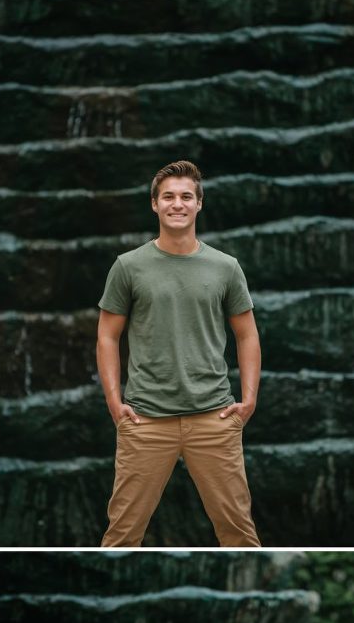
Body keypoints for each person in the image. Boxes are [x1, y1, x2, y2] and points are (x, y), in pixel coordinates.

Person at [96, 160, 262, 546]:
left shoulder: (226, 267)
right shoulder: (128, 267)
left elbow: (247, 335)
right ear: (154, 204)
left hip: (214, 417)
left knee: (239, 532)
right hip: (145, 421)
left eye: (186, 196)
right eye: (168, 196)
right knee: (122, 535)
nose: (177, 204)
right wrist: (114, 402)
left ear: (199, 204)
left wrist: (249, 399)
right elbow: (107, 336)